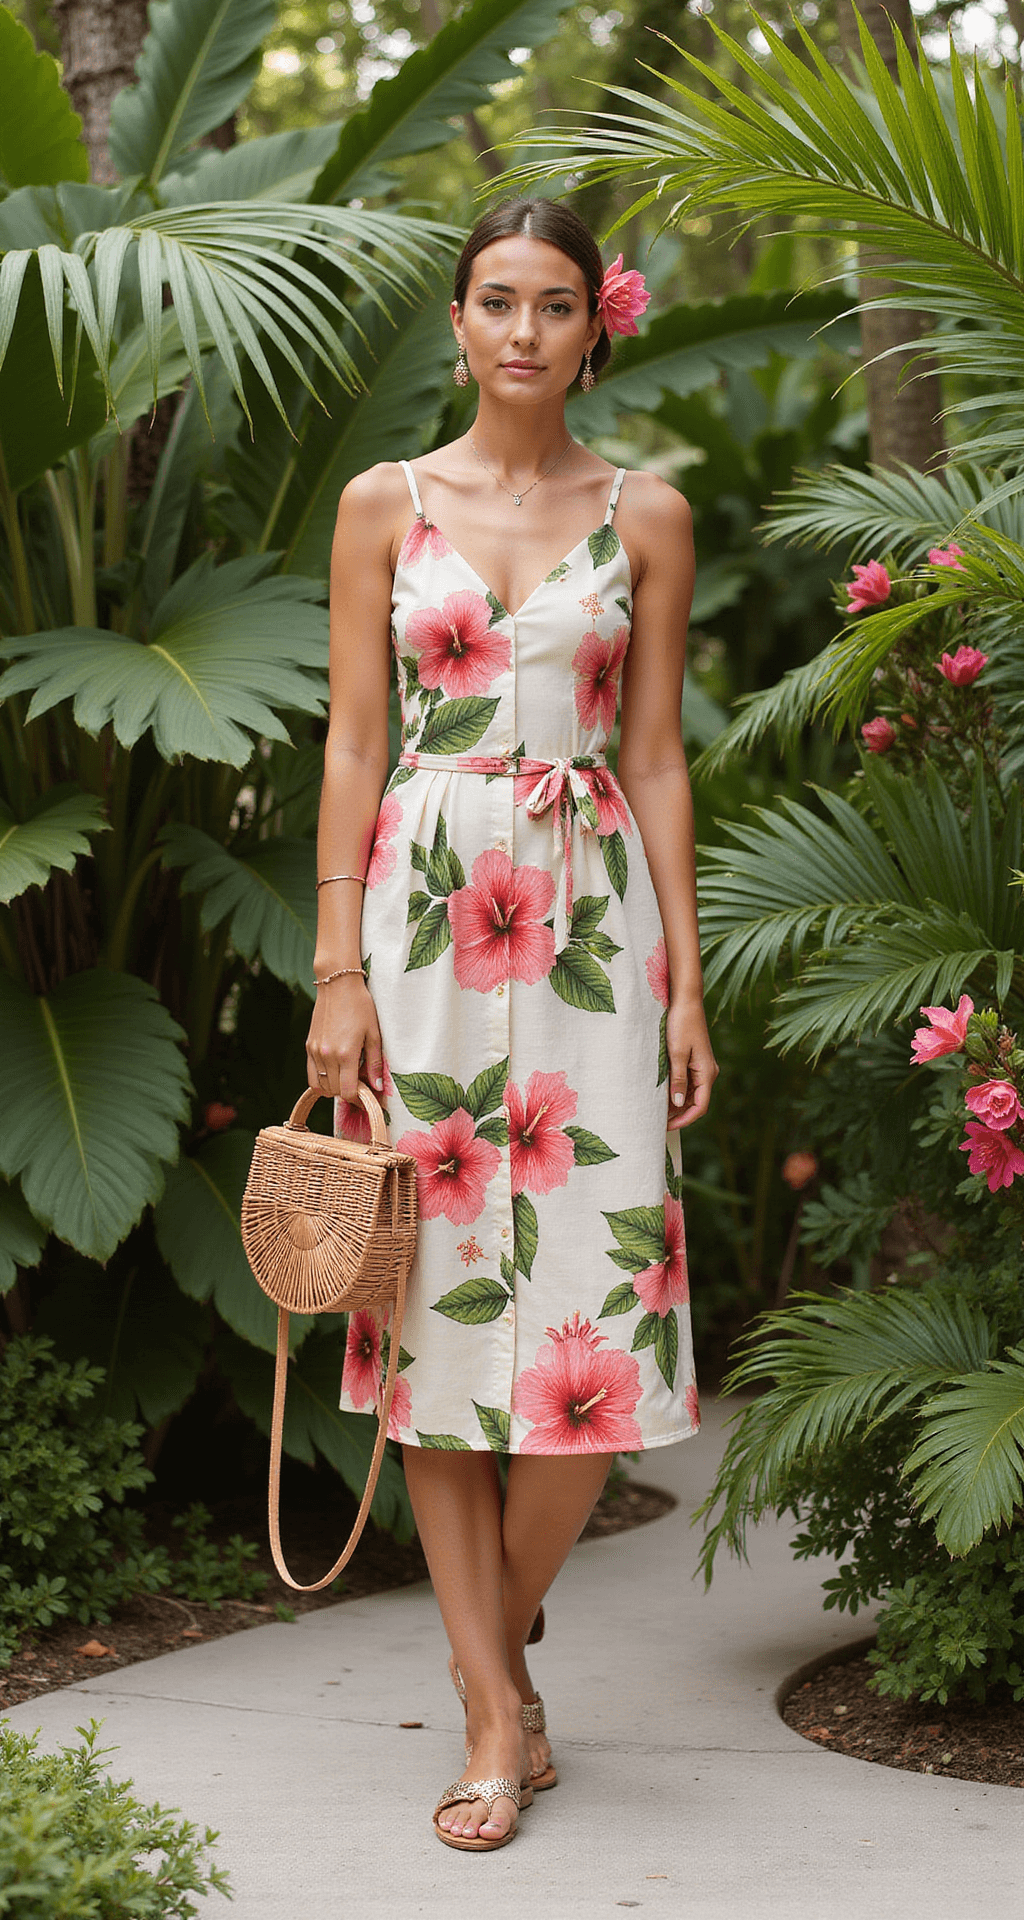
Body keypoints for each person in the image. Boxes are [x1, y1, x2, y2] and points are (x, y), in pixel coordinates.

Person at [305, 197, 718, 1852]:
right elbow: (353, 742)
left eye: (555, 303)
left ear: (594, 325)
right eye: (497, 300)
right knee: (434, 1323)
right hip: (420, 923)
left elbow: (662, 755)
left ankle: (499, 1640)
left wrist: (689, 983)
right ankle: (495, 1709)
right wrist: (335, 970)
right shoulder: (382, 504)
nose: (525, 330)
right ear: (460, 322)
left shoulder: (650, 513)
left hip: (597, 931)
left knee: (594, 1328)